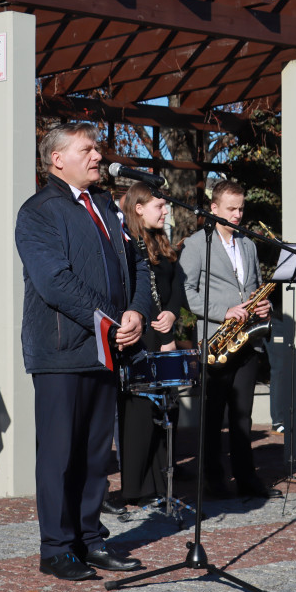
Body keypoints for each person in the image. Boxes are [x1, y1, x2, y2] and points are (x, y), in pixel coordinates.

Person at [15, 123, 152, 581]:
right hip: (61, 351)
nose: (98, 156)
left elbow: (137, 262)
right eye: (87, 149)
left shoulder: (104, 206)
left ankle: (90, 540)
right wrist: (109, 322)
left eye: (97, 148)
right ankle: (56, 548)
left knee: (96, 455)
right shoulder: (39, 212)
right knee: (60, 455)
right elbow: (55, 281)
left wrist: (135, 310)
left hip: (106, 350)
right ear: (57, 159)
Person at [179, 180, 278, 500]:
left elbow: (254, 286)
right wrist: (224, 311)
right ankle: (212, 480)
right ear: (214, 208)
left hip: (246, 341)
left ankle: (247, 479)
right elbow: (185, 294)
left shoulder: (248, 245)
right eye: (231, 209)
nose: (237, 215)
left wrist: (264, 306)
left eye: (241, 209)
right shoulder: (196, 244)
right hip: (215, 343)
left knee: (242, 417)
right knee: (212, 417)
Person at [118, 182, 186, 505]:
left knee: (166, 412)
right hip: (140, 339)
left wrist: (172, 316)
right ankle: (135, 487)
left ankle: (161, 483)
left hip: (164, 336)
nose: (165, 211)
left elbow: (178, 287)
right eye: (159, 206)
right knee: (140, 415)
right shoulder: (127, 243)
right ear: (139, 208)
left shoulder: (163, 243)